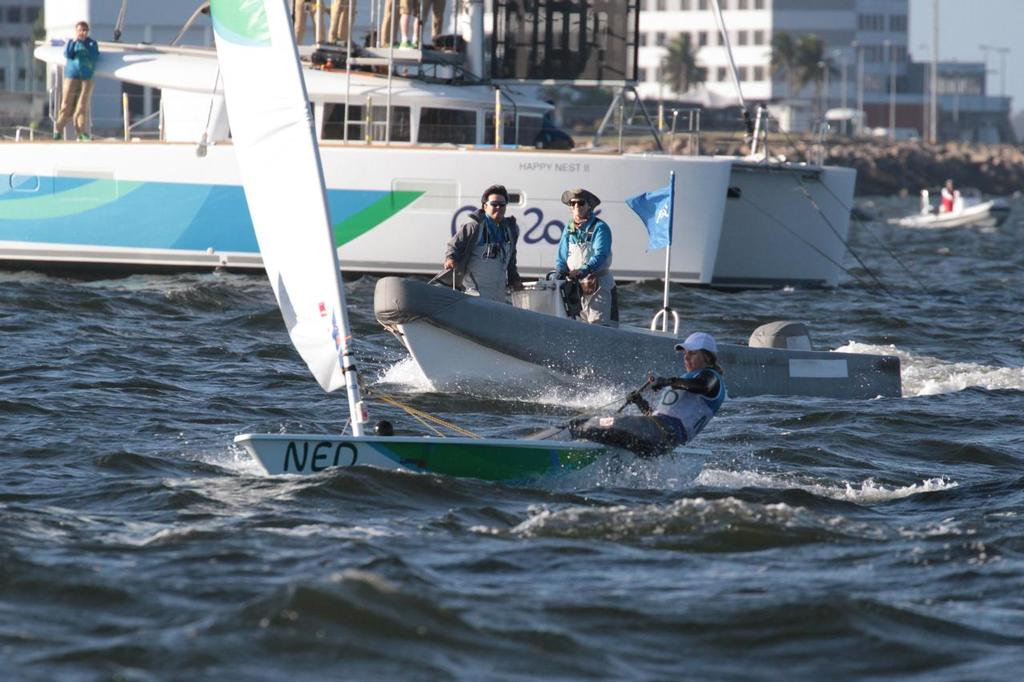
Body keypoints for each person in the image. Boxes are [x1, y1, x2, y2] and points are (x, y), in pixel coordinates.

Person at [568, 332, 726, 457]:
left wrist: (667, 381)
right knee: (591, 425)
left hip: (661, 436)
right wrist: (640, 402)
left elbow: (703, 386)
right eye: (685, 353)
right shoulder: (689, 380)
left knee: (588, 423)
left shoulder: (711, 378)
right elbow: (656, 419)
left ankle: (563, 439)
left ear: (706, 356)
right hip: (658, 439)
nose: (685, 357)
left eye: (692, 353)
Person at [443, 184, 524, 301]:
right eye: (494, 204)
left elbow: (511, 260)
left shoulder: (510, 230)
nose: (498, 207)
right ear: (485, 206)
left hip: (498, 296)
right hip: (474, 295)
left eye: (502, 205)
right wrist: (450, 259)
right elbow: (453, 246)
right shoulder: (473, 227)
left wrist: (515, 280)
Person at [555, 188, 617, 325]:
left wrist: (584, 270)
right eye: (573, 203)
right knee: (578, 325)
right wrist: (559, 271)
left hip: (599, 286)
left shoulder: (600, 228)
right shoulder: (569, 228)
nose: (576, 206)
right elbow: (561, 256)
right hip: (577, 288)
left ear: (589, 206)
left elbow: (600, 254)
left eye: (581, 203)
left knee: (600, 327)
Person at [54, 21, 100, 141]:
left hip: (86, 78)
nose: (83, 32)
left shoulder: (91, 43)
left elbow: (95, 56)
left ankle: (81, 132)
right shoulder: (72, 43)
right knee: (66, 104)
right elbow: (68, 54)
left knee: (82, 106)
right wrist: (74, 42)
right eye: (80, 30)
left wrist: (84, 46)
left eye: (85, 30)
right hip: (71, 76)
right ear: (76, 31)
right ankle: (58, 129)